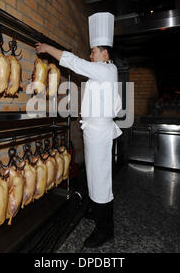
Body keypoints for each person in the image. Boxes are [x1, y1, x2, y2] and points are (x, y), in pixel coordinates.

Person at [35, 12, 122, 248]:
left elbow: (75, 62)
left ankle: (106, 229)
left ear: (105, 53)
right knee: (94, 173)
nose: (91, 54)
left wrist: (49, 49)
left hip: (100, 131)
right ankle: (97, 209)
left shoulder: (105, 69)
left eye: (94, 50)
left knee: (100, 177)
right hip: (94, 130)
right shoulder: (103, 72)